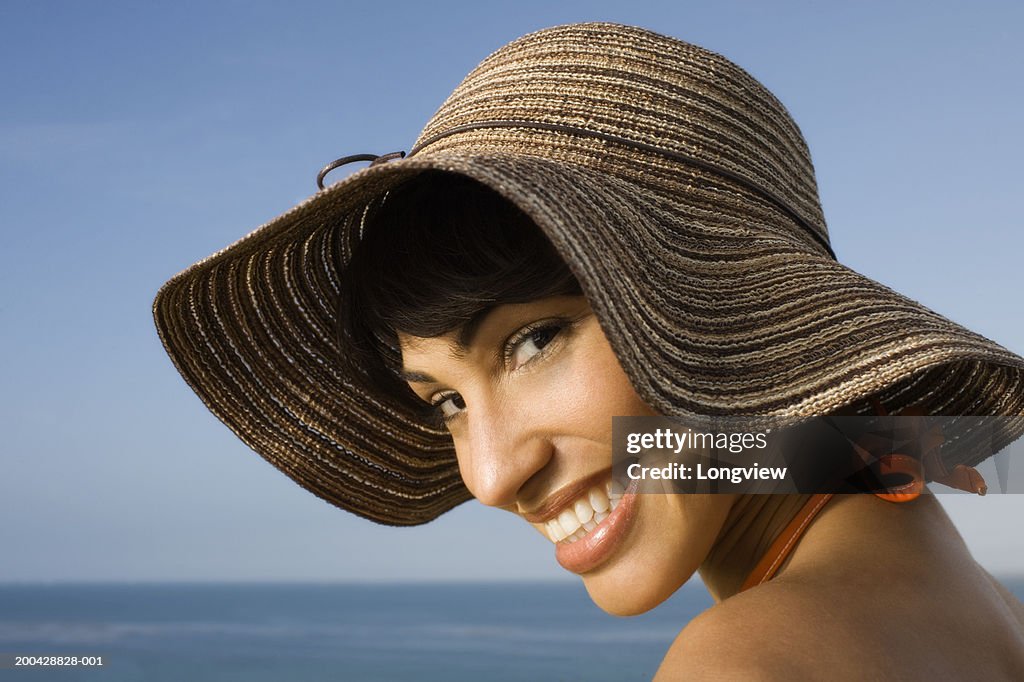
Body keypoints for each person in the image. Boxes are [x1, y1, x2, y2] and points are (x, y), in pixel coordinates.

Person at [154, 22, 1024, 678]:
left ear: (735, 308)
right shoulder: (975, 613)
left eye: (531, 341)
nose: (492, 477)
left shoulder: (746, 662)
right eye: (445, 401)